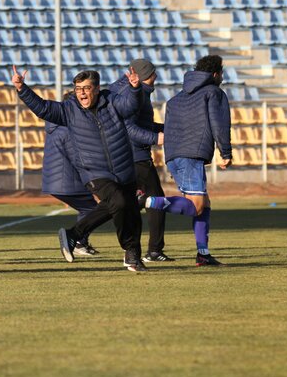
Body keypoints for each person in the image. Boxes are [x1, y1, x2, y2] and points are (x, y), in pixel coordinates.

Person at [13, 66, 148, 272]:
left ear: (96, 88)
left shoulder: (112, 101)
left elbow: (130, 106)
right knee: (119, 202)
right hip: (95, 172)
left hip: (124, 168)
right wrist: (22, 89)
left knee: (131, 210)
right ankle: (124, 249)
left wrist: (135, 88)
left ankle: (130, 255)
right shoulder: (69, 110)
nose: (82, 93)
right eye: (78, 89)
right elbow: (43, 108)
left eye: (86, 88)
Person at [144, 55, 232, 266]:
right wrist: (226, 152)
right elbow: (219, 124)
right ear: (215, 74)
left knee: (204, 204)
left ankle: (203, 253)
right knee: (197, 206)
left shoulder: (175, 99)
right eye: (221, 72)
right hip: (190, 156)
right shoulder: (214, 93)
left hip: (174, 155)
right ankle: (147, 201)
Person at [109, 58, 171, 262]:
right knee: (157, 201)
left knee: (128, 202)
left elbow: (142, 124)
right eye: (154, 73)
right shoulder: (138, 94)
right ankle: (154, 250)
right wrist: (156, 138)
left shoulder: (132, 91)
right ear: (149, 75)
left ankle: (80, 233)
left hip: (128, 155)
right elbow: (130, 128)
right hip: (137, 156)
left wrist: (166, 129)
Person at [42, 91, 98, 257]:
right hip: (66, 181)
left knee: (87, 208)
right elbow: (78, 158)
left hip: (56, 180)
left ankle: (81, 241)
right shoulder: (68, 129)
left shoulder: (55, 126)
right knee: (95, 209)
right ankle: (78, 241)